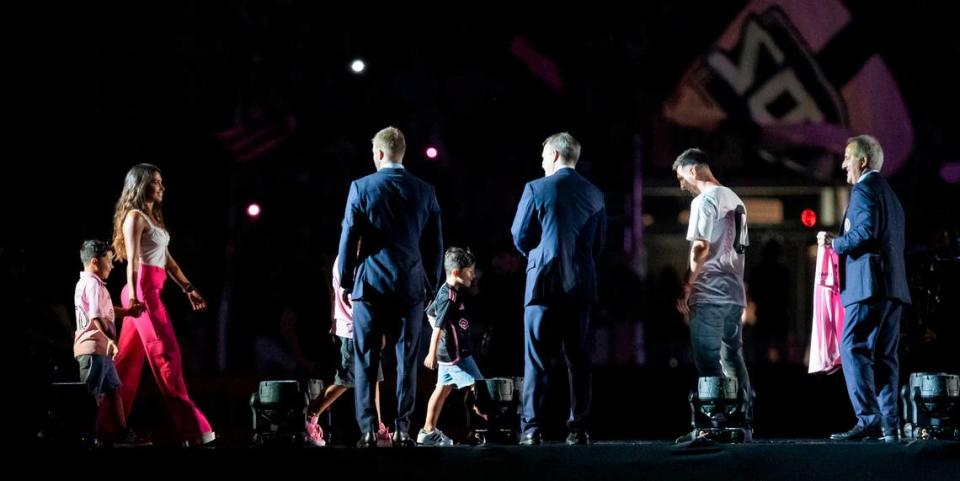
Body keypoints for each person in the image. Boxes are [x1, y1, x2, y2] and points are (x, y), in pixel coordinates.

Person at [337, 126, 444, 447]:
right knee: (406, 359)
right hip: (410, 285)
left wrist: (344, 279)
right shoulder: (424, 190)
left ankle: (368, 429)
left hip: (369, 284)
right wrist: (431, 283)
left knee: (366, 358)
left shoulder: (361, 187)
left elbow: (348, 237)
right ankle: (401, 428)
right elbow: (435, 244)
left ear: (379, 153)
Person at [101, 163, 215, 446]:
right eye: (155, 181)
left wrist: (188, 288)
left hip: (152, 291)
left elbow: (168, 260)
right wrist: (137, 297)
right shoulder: (135, 217)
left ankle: (108, 430)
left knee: (125, 363)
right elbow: (135, 261)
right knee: (167, 355)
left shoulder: (153, 217)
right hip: (142, 293)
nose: (162, 186)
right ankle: (193, 428)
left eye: (162, 181)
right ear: (140, 185)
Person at [511, 132, 605, 445]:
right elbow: (598, 245)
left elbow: (520, 235)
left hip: (542, 285)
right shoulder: (595, 194)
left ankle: (533, 428)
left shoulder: (536, 188)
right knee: (578, 360)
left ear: (552, 154)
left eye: (542, 157)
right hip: (580, 286)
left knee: (536, 359)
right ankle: (579, 429)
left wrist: (538, 255)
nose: (541, 163)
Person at [817, 135, 910, 442]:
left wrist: (835, 243)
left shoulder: (864, 189)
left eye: (847, 157)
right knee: (885, 355)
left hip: (867, 286)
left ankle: (868, 418)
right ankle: (889, 425)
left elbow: (866, 231)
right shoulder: (892, 195)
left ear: (863, 161)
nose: (843, 164)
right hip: (893, 289)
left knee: (852, 347)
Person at [672, 148, 753, 439]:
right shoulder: (735, 199)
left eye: (681, 177)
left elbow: (701, 247)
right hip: (733, 292)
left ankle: (716, 423)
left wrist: (687, 283)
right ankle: (742, 420)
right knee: (732, 357)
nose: (681, 185)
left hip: (709, 292)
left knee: (707, 361)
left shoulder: (704, 200)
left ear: (693, 170)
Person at [304, 255, 392, 446]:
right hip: (353, 330)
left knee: (373, 378)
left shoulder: (352, 259)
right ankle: (311, 416)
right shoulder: (349, 261)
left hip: (360, 328)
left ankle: (376, 427)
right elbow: (357, 299)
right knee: (345, 379)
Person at [73, 240, 146, 444]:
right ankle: (86, 435)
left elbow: (105, 310)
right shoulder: (93, 284)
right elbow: (97, 317)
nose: (112, 266)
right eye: (109, 261)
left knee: (113, 390)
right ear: (95, 262)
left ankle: (122, 433)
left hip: (100, 349)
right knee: (91, 395)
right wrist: (112, 341)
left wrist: (128, 312)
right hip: (94, 348)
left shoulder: (88, 284)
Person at [419, 247, 483, 446]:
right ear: (456, 272)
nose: (473, 275)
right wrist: (432, 353)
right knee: (479, 387)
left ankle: (427, 431)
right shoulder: (449, 297)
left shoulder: (450, 291)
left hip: (451, 352)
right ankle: (486, 430)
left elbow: (429, 312)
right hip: (455, 354)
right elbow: (437, 325)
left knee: (442, 389)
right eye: (470, 271)